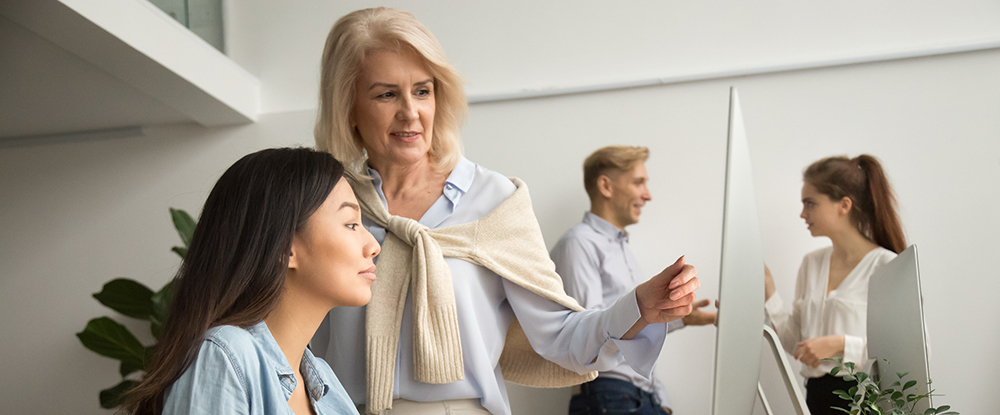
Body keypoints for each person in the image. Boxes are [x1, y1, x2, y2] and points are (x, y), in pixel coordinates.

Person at [309, 8, 703, 415]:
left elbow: (560, 335)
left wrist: (637, 306)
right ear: (349, 107)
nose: (411, 112)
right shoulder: (327, 203)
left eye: (423, 91)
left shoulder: (493, 199)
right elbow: (305, 341)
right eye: (386, 93)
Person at [123, 148, 380, 415]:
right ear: (285, 246)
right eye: (351, 224)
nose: (373, 246)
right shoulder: (225, 356)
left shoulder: (323, 382)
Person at [551, 145, 716, 415]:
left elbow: (629, 323)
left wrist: (680, 318)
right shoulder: (578, 244)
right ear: (606, 186)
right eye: (639, 182)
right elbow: (588, 337)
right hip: (609, 395)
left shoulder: (621, 249)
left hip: (640, 397)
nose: (648, 195)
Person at [764, 154, 906, 415]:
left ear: (844, 205)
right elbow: (797, 343)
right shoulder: (812, 264)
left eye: (810, 203)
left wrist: (841, 344)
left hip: (865, 402)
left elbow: (909, 353)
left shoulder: (886, 266)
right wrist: (769, 292)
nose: (802, 213)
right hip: (815, 400)